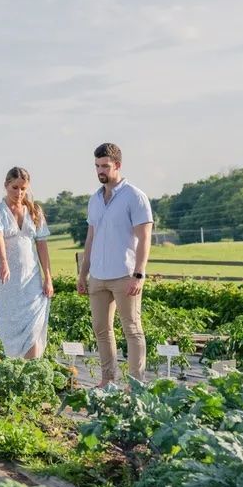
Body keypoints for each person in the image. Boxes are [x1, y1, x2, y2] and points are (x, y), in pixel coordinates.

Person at [77, 142, 153, 386]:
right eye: (97, 166)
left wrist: (139, 274)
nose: (100, 170)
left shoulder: (134, 197)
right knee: (101, 331)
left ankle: (135, 384)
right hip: (98, 276)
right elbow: (91, 238)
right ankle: (108, 380)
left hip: (124, 274)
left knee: (132, 329)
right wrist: (83, 274)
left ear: (117, 165)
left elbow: (144, 238)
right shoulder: (95, 200)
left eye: (105, 166)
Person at [0, 167, 53, 359]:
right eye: (15, 188)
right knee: (11, 324)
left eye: (23, 189)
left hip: (32, 279)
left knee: (34, 326)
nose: (19, 193)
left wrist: (48, 277)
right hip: (9, 280)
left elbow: (42, 245)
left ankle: (32, 367)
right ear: (6, 185)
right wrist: (4, 262)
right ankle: (16, 366)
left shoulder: (35, 211)